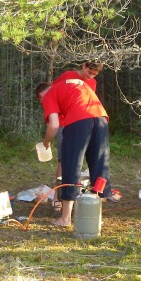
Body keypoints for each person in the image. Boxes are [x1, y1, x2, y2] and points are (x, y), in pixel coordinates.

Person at [35, 79, 111, 227]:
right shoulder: (68, 86)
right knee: (99, 166)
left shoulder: (49, 95)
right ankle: (95, 216)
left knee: (71, 165)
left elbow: (54, 125)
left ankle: (65, 219)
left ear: (41, 96)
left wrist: (46, 142)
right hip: (101, 119)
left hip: (78, 122)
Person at [51, 62, 103, 209]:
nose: (90, 76)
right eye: (89, 72)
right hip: (64, 123)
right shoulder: (68, 76)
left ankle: (80, 198)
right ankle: (58, 196)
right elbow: (54, 93)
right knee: (64, 159)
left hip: (83, 125)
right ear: (84, 66)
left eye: (94, 74)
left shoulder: (92, 83)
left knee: (81, 159)